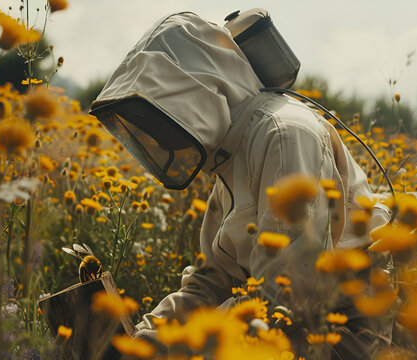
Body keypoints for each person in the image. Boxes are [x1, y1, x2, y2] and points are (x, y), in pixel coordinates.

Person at [89, 11, 392, 359]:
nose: (157, 136)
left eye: (157, 118)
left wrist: (169, 346)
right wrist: (144, 333)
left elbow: (289, 297)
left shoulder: (283, 134)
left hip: (348, 331)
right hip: (295, 326)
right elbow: (211, 280)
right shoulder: (232, 154)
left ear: (199, 87)